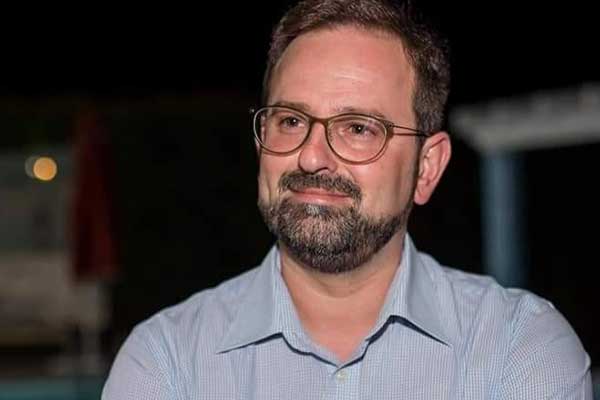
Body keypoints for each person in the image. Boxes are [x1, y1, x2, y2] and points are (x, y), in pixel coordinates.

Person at [102, 0, 592, 398]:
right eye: (290, 121)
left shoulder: (518, 348)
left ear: (427, 167)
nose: (312, 156)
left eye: (359, 129)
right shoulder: (168, 361)